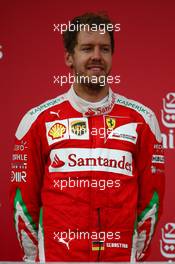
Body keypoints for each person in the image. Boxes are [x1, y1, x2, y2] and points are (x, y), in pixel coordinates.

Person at [10, 12, 165, 262]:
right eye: (87, 48)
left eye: (104, 49)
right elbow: (23, 204)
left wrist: (133, 257)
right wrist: (35, 259)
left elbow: (151, 203)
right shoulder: (36, 121)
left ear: (112, 56)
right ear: (69, 57)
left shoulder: (142, 120)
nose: (96, 56)